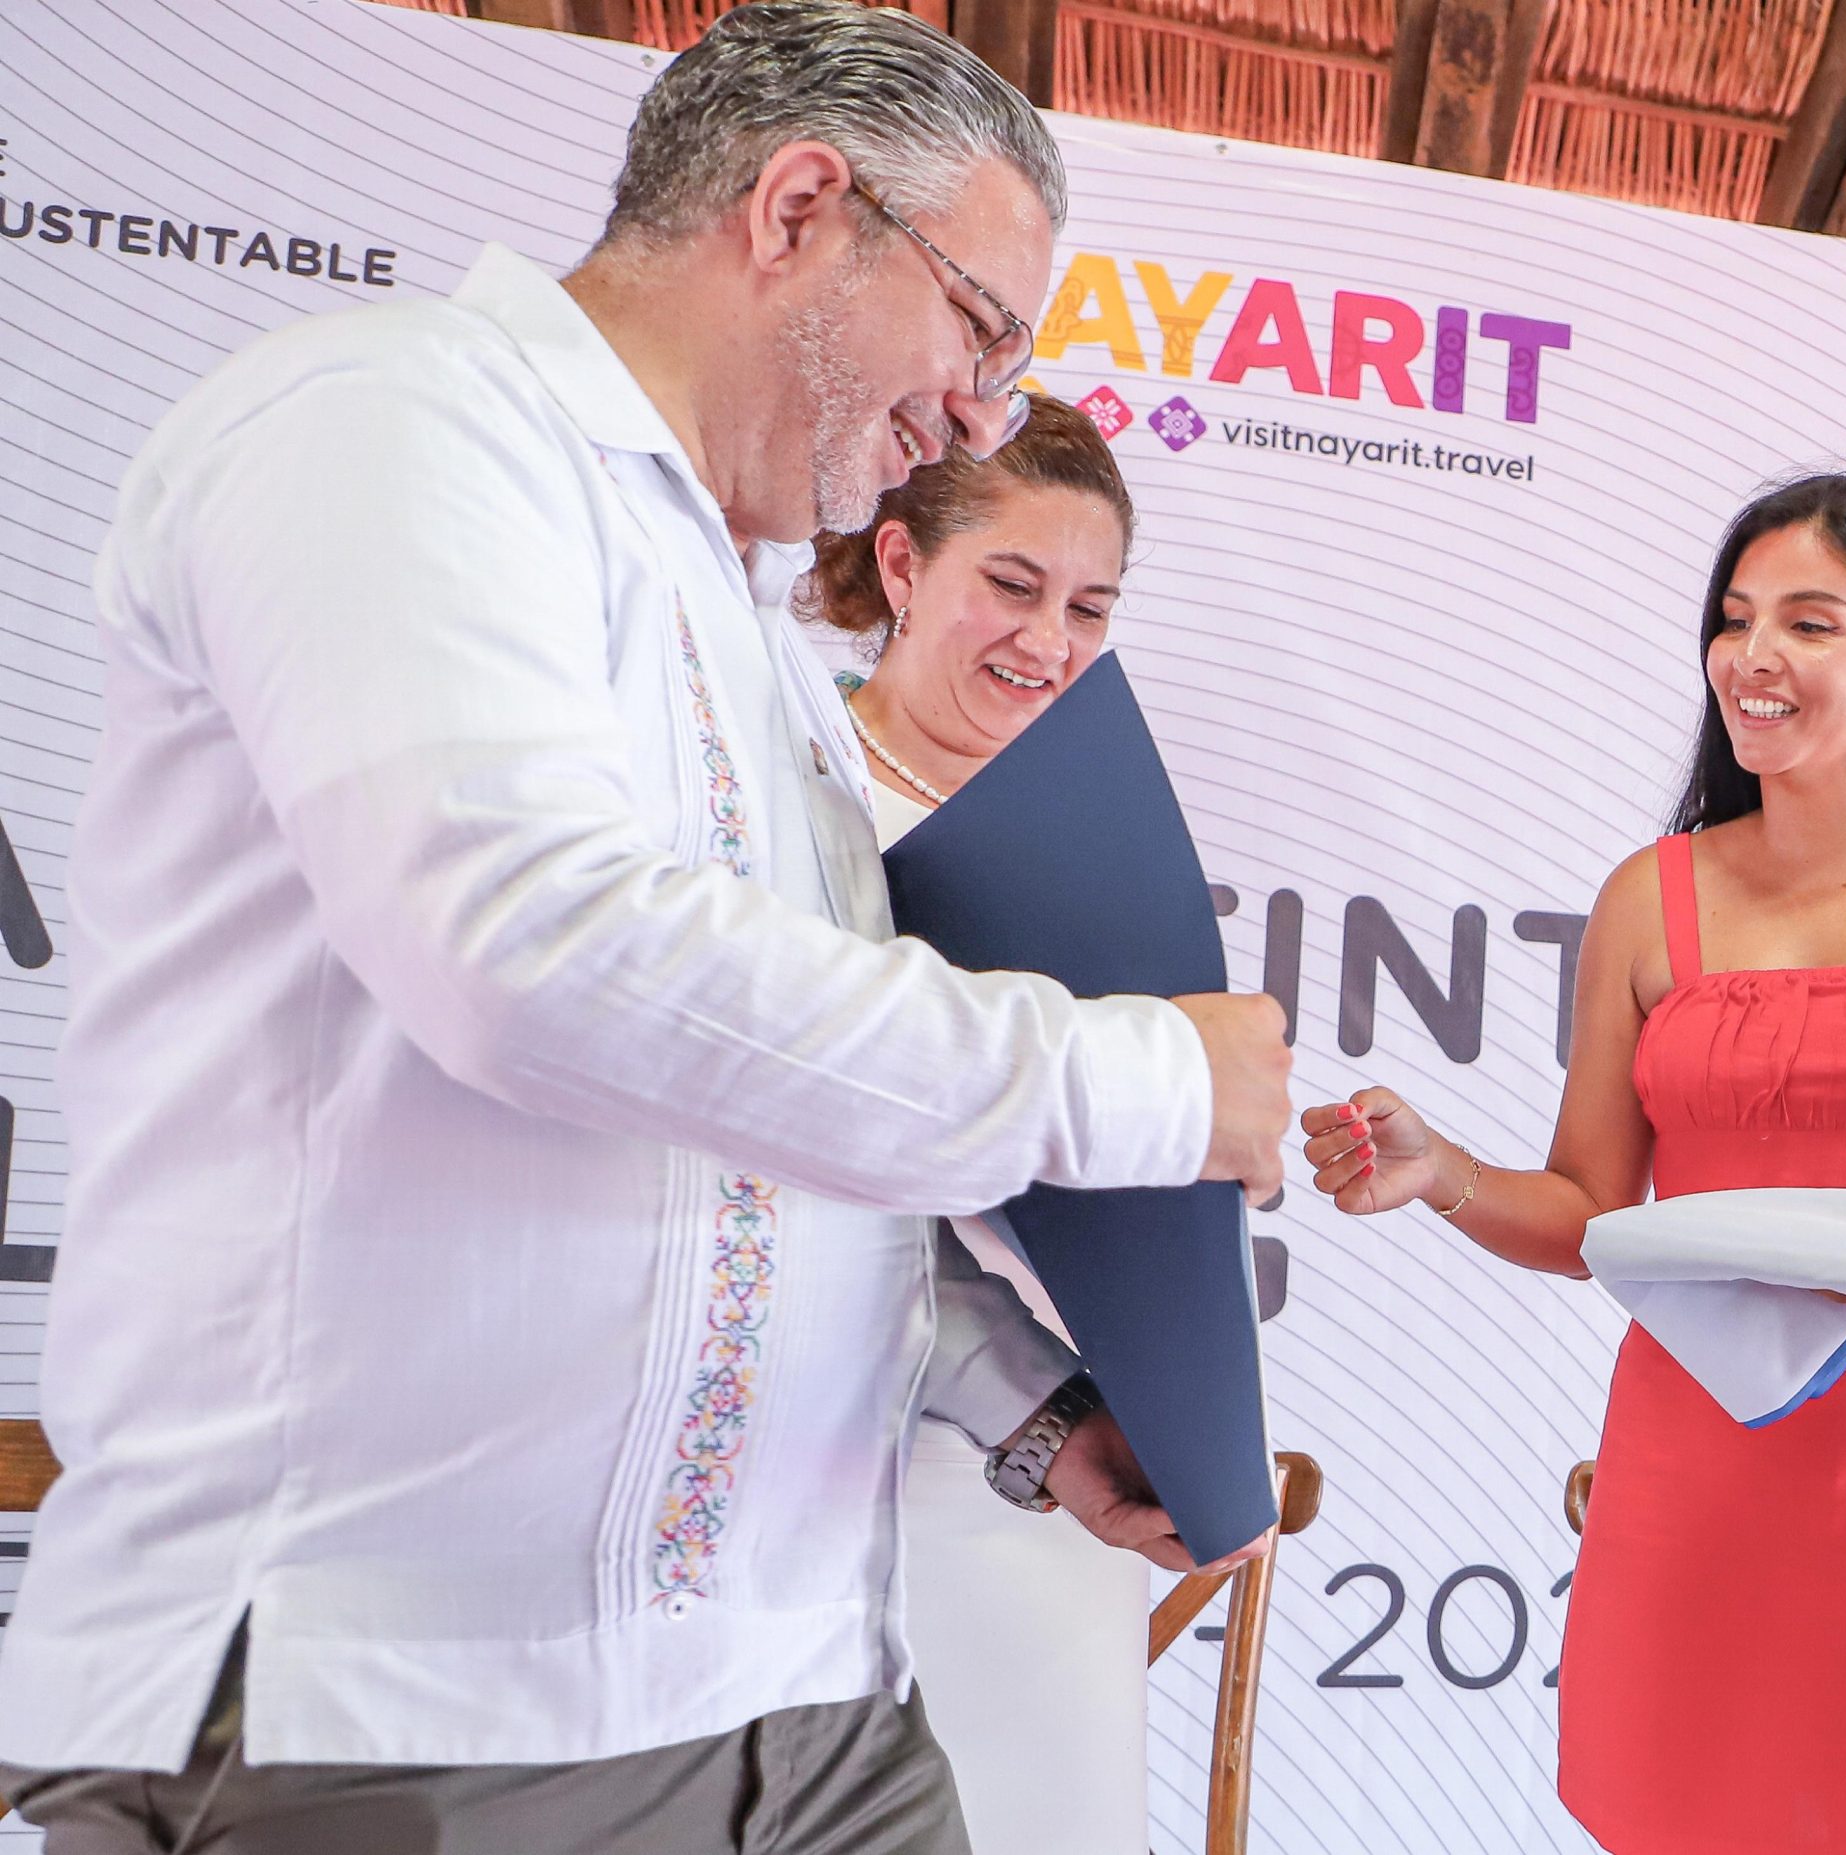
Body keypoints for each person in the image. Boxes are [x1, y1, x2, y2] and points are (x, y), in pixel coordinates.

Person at [0, 7, 1292, 1852]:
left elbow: (740, 1154)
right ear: (799, 208)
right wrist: (1145, 1081)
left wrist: (1020, 1401)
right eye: (978, 329)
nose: (977, 414)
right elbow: (530, 953)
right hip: (402, 1707)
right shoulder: (398, 418)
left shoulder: (749, 626)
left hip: (811, 1696)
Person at [1301, 474, 1846, 1855]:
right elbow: (1587, 1212)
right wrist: (1440, 1170)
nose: (1754, 656)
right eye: (1736, 620)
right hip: (1699, 1474)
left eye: (1810, 623)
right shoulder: (1650, 893)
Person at [789, 390, 1149, 1855]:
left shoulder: (1102, 839)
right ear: (899, 564)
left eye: (1090, 608)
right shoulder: (786, 791)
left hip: (1051, 1464)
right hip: (800, 1457)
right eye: (1013, 584)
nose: (1048, 641)